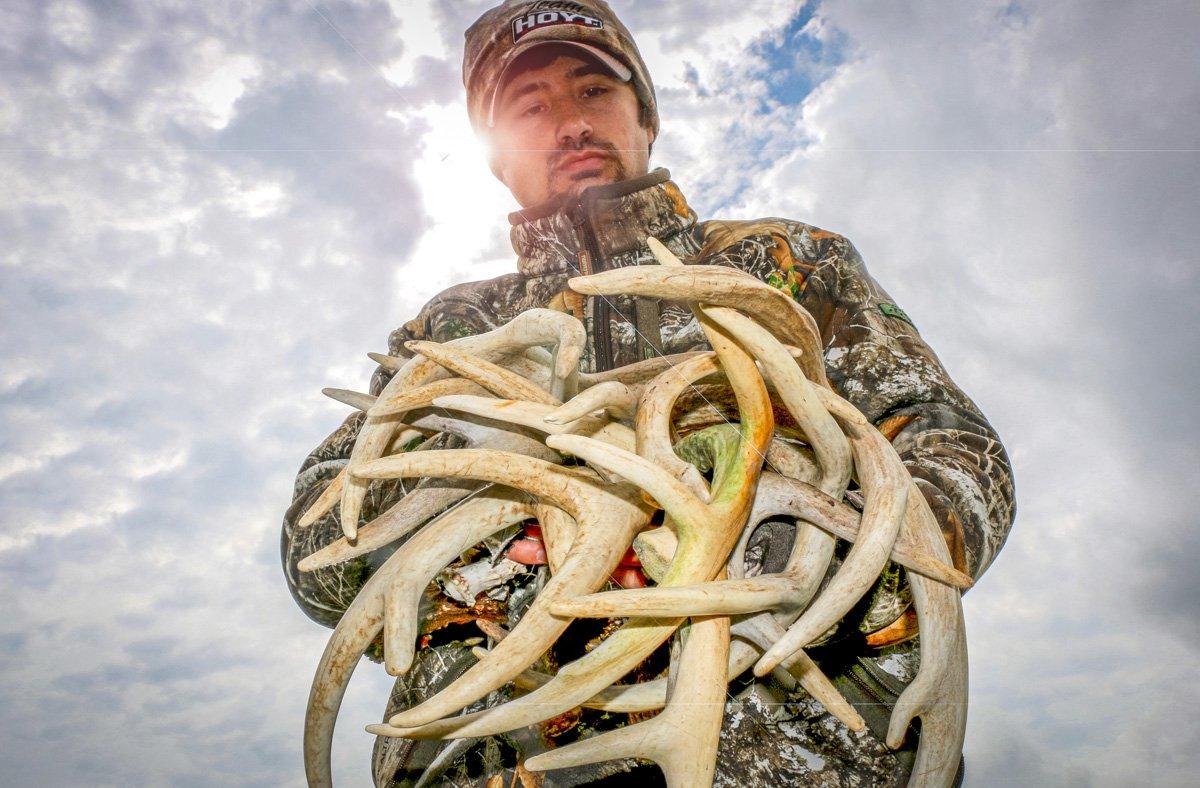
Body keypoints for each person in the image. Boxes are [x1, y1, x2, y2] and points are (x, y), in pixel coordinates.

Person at [281, 1, 1016, 784]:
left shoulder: (786, 263)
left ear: (645, 115)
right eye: (531, 108)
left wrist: (797, 550)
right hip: (492, 762)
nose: (570, 125)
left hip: (801, 751)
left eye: (594, 92)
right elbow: (317, 547)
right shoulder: (450, 327)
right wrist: (497, 558)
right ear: (495, 155)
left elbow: (953, 447)